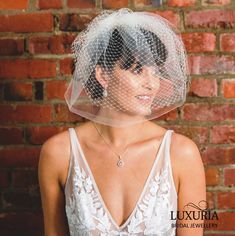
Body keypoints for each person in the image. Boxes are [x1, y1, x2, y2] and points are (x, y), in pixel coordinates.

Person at [38, 8, 206, 236]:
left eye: (156, 72)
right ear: (103, 75)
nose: (152, 84)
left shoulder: (182, 154)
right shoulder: (58, 153)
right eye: (138, 70)